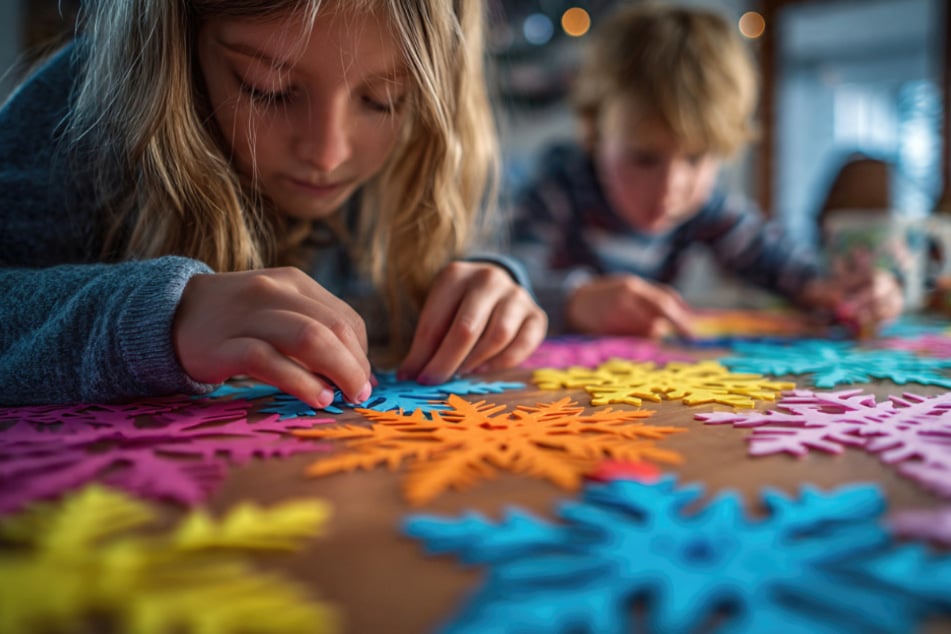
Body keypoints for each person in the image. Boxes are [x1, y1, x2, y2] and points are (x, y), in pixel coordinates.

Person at [0, 0, 547, 407]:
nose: (328, 155)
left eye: (384, 100)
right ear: (181, 43)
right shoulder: (77, 115)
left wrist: (489, 287)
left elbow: (401, 297)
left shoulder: (406, 162)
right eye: (268, 89)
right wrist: (161, 316)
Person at [506, 1, 902, 338]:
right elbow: (509, 287)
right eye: (644, 158)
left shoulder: (706, 207)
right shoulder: (555, 192)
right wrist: (575, 300)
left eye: (696, 159)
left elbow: (781, 263)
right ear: (594, 131)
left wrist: (841, 290)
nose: (670, 188)